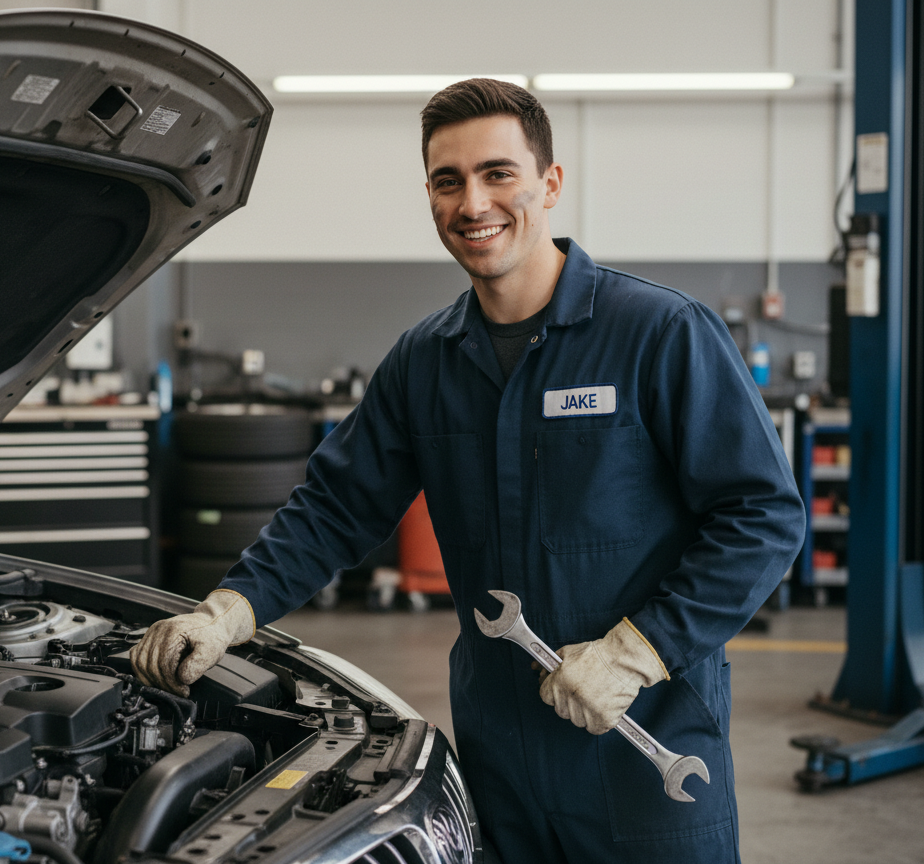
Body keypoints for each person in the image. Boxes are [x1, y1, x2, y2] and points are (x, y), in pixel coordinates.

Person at [132, 78, 805, 863]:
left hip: (644, 746)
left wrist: (639, 651)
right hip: (500, 757)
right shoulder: (426, 360)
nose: (473, 203)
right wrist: (227, 612)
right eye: (447, 181)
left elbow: (763, 516)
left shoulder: (658, 333)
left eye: (498, 173)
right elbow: (335, 508)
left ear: (550, 183)